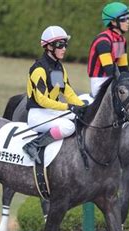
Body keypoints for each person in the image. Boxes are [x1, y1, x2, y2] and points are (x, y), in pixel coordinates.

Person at [23, 25, 85, 164]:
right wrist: (68, 107)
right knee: (69, 127)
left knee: (81, 118)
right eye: (60, 45)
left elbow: (67, 91)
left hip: (51, 112)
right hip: (38, 115)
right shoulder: (39, 69)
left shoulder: (58, 68)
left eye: (65, 45)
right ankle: (34, 144)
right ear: (49, 47)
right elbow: (42, 100)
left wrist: (83, 107)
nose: (64, 48)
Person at [87, 2, 129, 97]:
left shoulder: (120, 40)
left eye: (128, 17)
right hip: (100, 82)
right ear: (113, 22)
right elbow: (110, 71)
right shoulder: (103, 41)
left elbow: (122, 68)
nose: (127, 21)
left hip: (114, 78)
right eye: (123, 19)